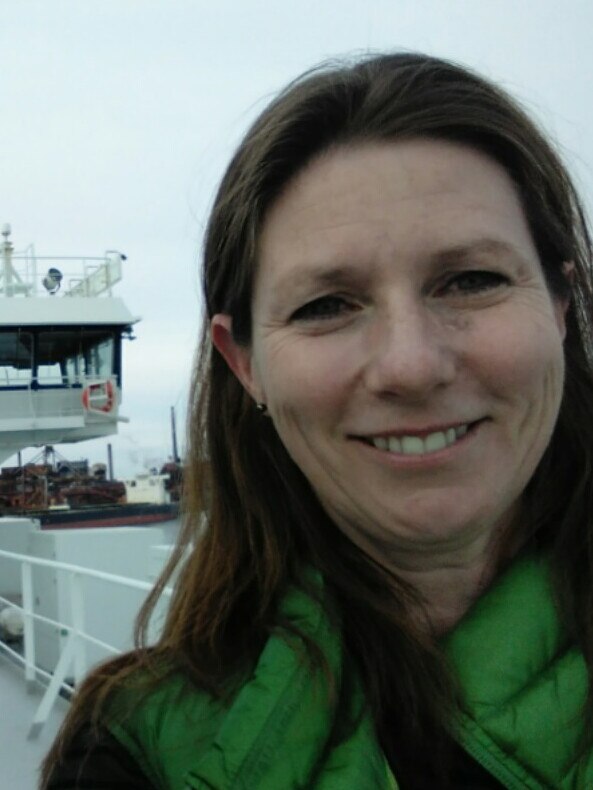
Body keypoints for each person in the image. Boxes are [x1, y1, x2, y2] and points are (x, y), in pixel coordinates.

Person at [41, 52, 593, 789]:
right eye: (325, 305)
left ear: (561, 307)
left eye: (471, 280)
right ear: (243, 365)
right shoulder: (134, 752)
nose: (409, 366)